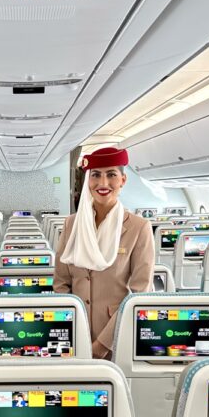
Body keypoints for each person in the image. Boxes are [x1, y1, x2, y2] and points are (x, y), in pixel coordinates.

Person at [54, 147, 155, 359]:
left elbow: (139, 294)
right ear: (87, 180)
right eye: (96, 175)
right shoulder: (72, 224)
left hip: (117, 337)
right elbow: (61, 283)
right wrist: (71, 327)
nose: (103, 183)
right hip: (73, 334)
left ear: (123, 180)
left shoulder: (138, 228)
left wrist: (102, 344)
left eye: (111, 175)